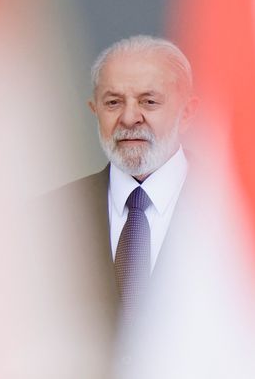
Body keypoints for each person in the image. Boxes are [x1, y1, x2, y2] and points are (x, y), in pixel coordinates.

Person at [54, 35, 198, 331]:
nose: (130, 117)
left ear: (187, 113)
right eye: (113, 102)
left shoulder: (233, 214)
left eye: (149, 101)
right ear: (94, 110)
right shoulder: (51, 218)